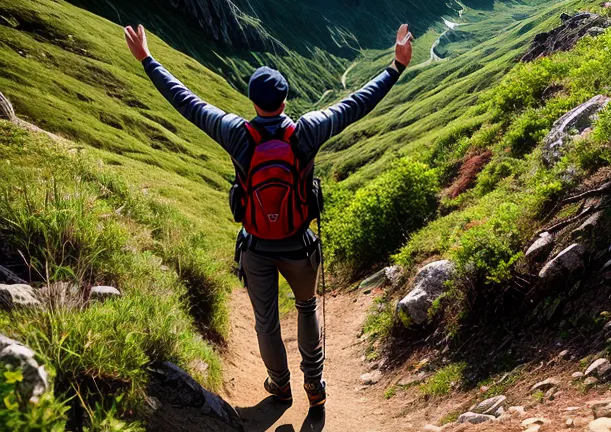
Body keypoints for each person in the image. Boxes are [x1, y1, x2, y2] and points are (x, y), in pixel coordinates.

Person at [124, 22, 413, 412]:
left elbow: (186, 100)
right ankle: (314, 382)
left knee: (266, 321)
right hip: (299, 244)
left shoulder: (235, 133)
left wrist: (147, 60)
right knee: (307, 307)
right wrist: (395, 67)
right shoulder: (307, 131)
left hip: (257, 246)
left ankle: (280, 385)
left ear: (252, 99)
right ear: (284, 99)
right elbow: (357, 102)